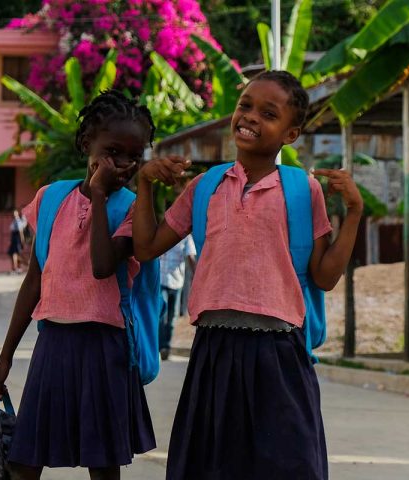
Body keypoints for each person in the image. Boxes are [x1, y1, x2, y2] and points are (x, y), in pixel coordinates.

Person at [132, 71, 364, 480]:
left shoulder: (301, 189)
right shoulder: (206, 186)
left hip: (280, 351)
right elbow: (148, 247)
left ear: (290, 133)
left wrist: (354, 214)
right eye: (245, 105)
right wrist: (145, 184)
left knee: (289, 467)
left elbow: (325, 277)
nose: (251, 116)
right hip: (214, 348)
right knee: (211, 467)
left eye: (268, 113)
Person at [0, 90, 157, 480]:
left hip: (106, 349)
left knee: (103, 464)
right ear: (86, 144)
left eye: (135, 155)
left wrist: (98, 196)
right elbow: (34, 282)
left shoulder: (133, 208)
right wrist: (6, 355)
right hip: (54, 345)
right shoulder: (50, 199)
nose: (125, 164)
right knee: (25, 461)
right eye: (114, 152)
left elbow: (101, 266)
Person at [158, 235, 196, 360]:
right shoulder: (163, 231)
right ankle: (159, 346)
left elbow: (190, 256)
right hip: (161, 281)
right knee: (161, 316)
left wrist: (196, 276)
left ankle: (166, 347)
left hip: (176, 282)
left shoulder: (185, 238)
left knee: (172, 319)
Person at [7, 209, 28, 274]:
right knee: (12, 254)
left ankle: (16, 268)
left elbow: (20, 231)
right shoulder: (14, 221)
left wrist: (22, 240)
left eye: (16, 214)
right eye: (14, 214)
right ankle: (16, 267)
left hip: (17, 239)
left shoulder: (18, 221)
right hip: (14, 239)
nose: (15, 215)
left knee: (15, 254)